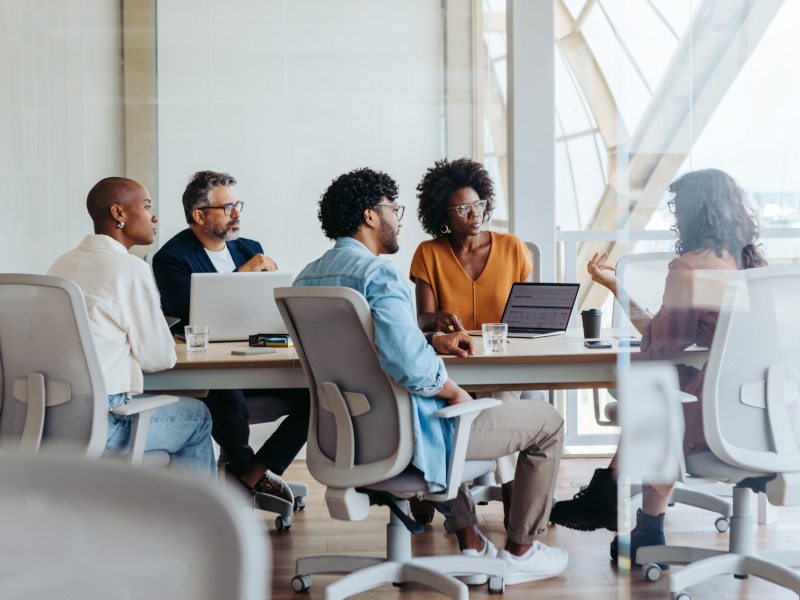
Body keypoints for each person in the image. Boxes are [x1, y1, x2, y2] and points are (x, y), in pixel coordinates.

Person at [294, 167, 568, 585]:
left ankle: (473, 544)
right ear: (370, 216)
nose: (398, 218)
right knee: (547, 422)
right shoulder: (378, 274)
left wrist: (430, 343)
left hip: (343, 438)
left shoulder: (307, 277)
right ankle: (522, 551)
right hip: (408, 436)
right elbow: (409, 367)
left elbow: (364, 349)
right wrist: (454, 390)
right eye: (392, 208)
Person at [550, 168, 766, 564]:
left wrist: (618, 291)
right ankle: (642, 521)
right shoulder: (753, 266)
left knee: (655, 386)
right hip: (763, 416)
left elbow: (659, 346)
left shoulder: (690, 268)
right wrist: (618, 287)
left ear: (691, 214)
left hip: (719, 418)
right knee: (668, 383)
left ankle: (617, 495)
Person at [152, 170, 309, 506]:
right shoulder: (172, 258)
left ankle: (252, 472)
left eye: (238, 205)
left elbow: (262, 310)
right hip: (208, 368)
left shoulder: (250, 248)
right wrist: (244, 275)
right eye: (228, 207)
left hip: (257, 355)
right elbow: (187, 314)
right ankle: (242, 473)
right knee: (230, 398)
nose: (237, 214)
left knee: (318, 394)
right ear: (199, 215)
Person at [47, 177, 215, 476]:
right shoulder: (130, 268)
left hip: (52, 420)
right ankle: (197, 522)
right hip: (104, 422)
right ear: (119, 214)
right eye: (147, 206)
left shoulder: (62, 264)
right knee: (198, 416)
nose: (155, 216)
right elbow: (159, 358)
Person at [410, 158, 533, 524]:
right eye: (462, 208)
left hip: (503, 361)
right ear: (443, 215)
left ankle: (513, 504)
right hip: (454, 363)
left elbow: (528, 315)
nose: (473, 214)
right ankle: (443, 492)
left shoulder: (512, 247)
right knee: (440, 409)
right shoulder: (428, 254)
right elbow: (421, 321)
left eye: (478, 204)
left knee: (501, 407)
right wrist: (437, 319)